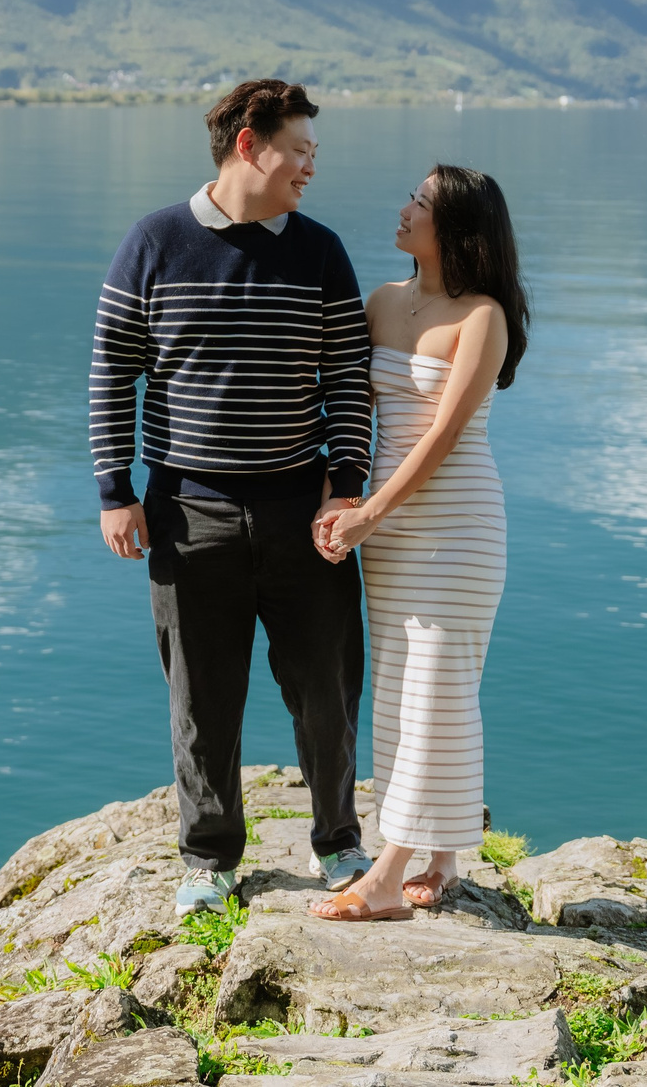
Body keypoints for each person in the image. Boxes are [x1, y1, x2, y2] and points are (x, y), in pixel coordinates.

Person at [91, 79, 377, 916]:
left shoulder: (320, 252)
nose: (310, 168)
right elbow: (113, 371)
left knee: (327, 688)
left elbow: (348, 377)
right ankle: (209, 859)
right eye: (301, 150)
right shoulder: (154, 243)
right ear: (248, 145)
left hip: (302, 510)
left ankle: (339, 840)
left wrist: (348, 481)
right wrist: (116, 491)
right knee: (201, 698)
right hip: (188, 509)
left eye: (314, 154)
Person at [308, 165, 529, 922]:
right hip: (389, 529)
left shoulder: (483, 317)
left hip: (457, 526)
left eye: (422, 203)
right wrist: (341, 500)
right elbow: (349, 412)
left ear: (458, 229)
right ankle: (443, 851)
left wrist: (370, 512)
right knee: (407, 689)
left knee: (437, 685)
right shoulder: (380, 302)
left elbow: (442, 436)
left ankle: (387, 872)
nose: (404, 209)